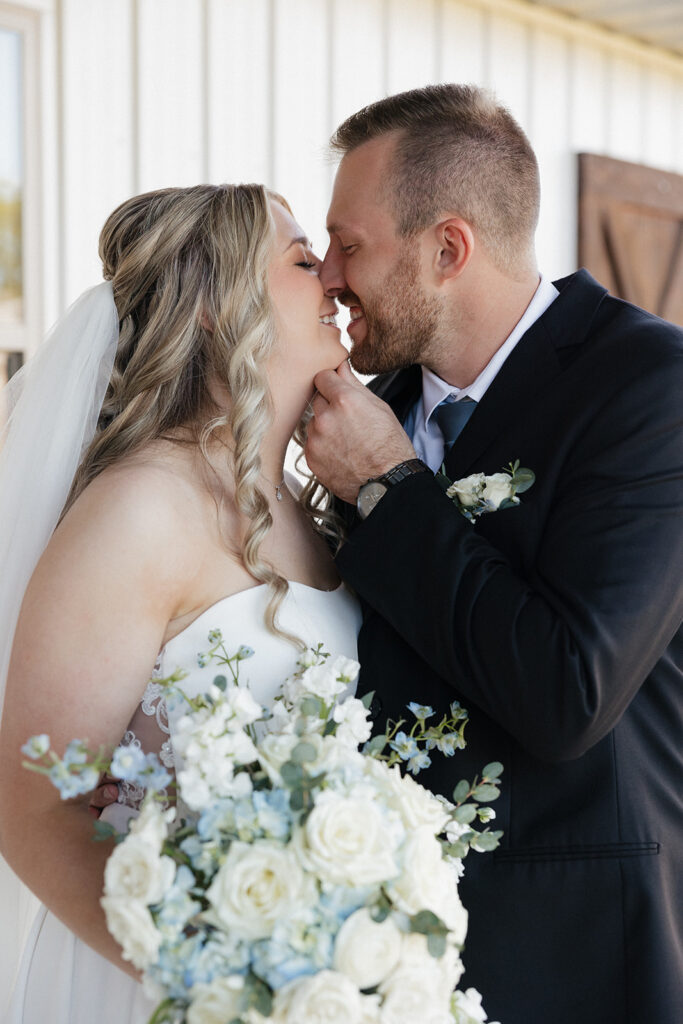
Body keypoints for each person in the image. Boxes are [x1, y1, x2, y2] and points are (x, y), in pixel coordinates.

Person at [303, 84, 683, 1024]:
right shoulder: (367, 410)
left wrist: (391, 491)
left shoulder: (649, 390)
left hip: (580, 952)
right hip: (373, 950)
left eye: (348, 246)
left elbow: (567, 691)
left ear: (446, 249)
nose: (328, 279)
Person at [0, 183, 360, 1024]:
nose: (336, 282)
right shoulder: (142, 509)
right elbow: (31, 804)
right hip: (158, 985)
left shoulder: (311, 511)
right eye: (303, 262)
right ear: (213, 308)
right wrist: (216, 977)